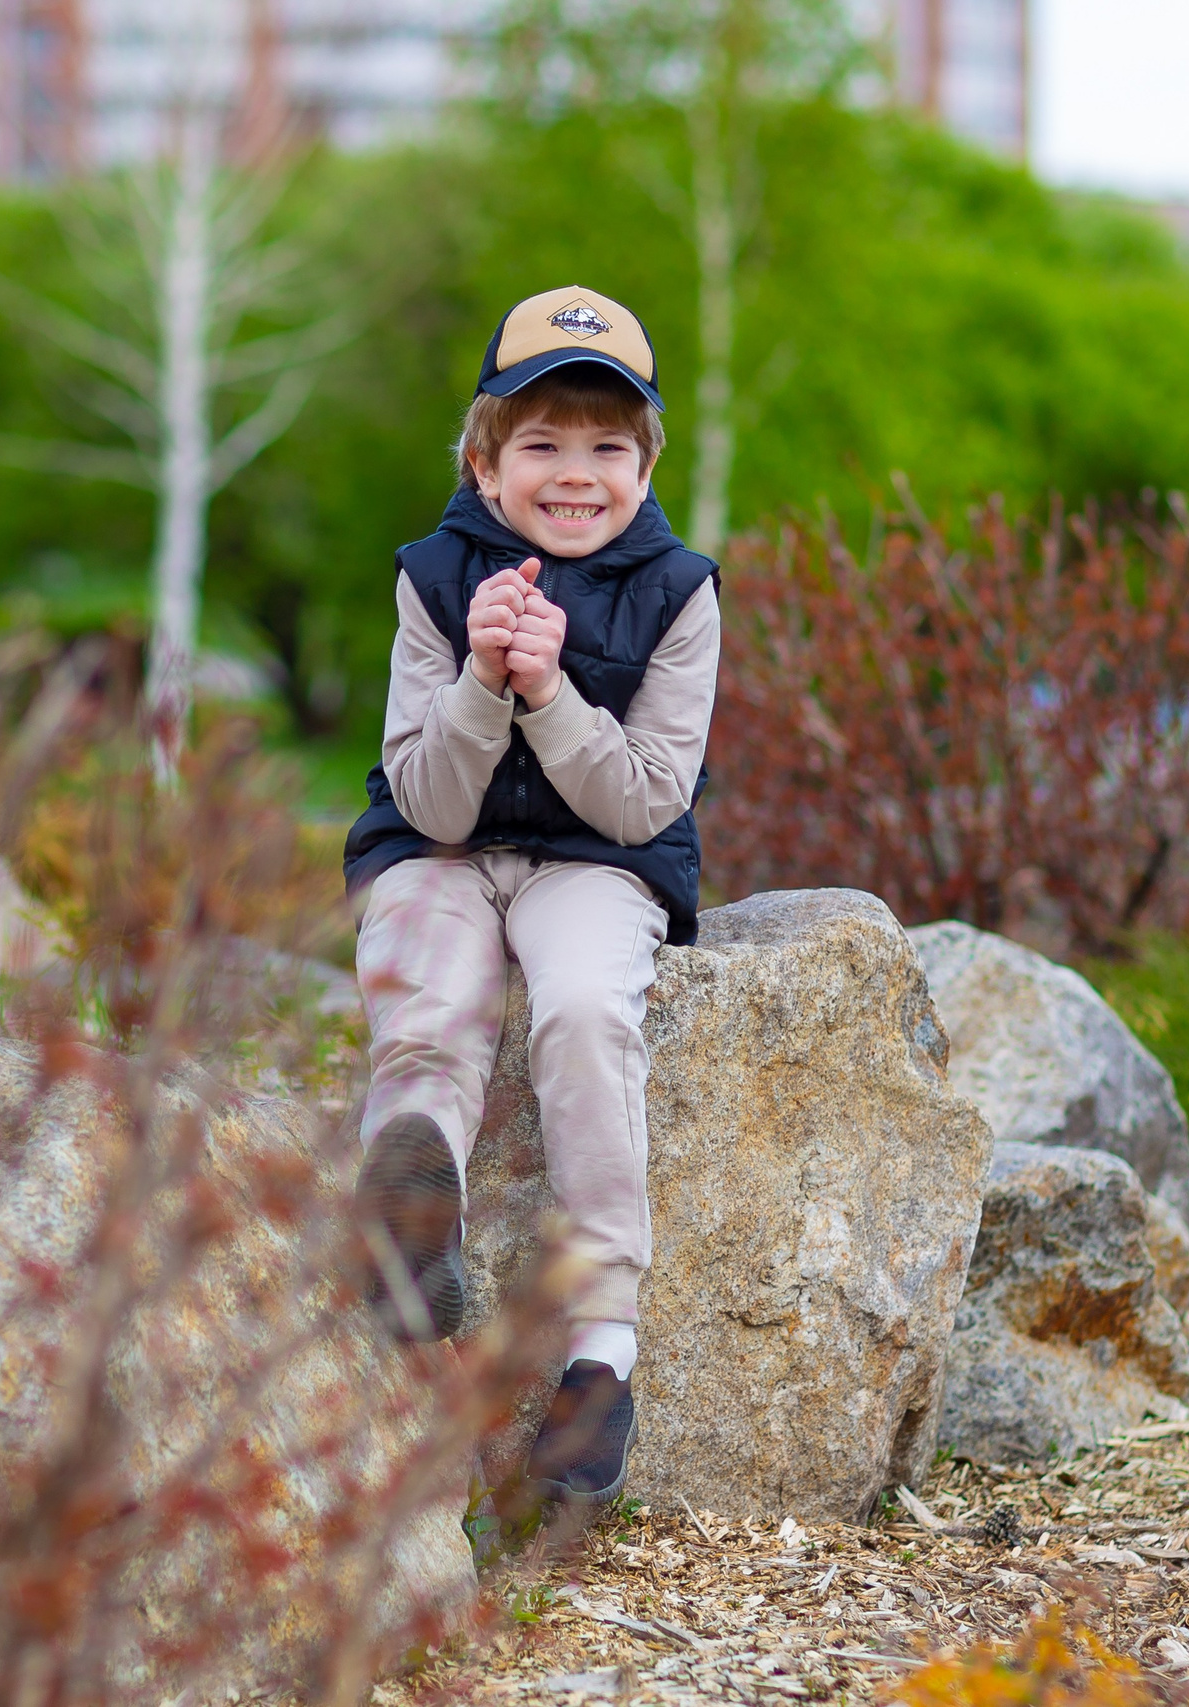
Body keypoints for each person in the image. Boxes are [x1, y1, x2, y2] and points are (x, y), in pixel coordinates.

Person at [341, 284, 720, 1508]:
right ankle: (413, 1220)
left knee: (582, 1013)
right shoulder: (432, 578)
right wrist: (481, 683)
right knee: (428, 984)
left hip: (595, 862)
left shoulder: (680, 594)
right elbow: (432, 801)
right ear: (485, 462)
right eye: (542, 443)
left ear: (647, 463)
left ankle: (600, 1352)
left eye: (608, 445)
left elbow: (642, 804)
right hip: (442, 850)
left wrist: (552, 696)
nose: (576, 473)